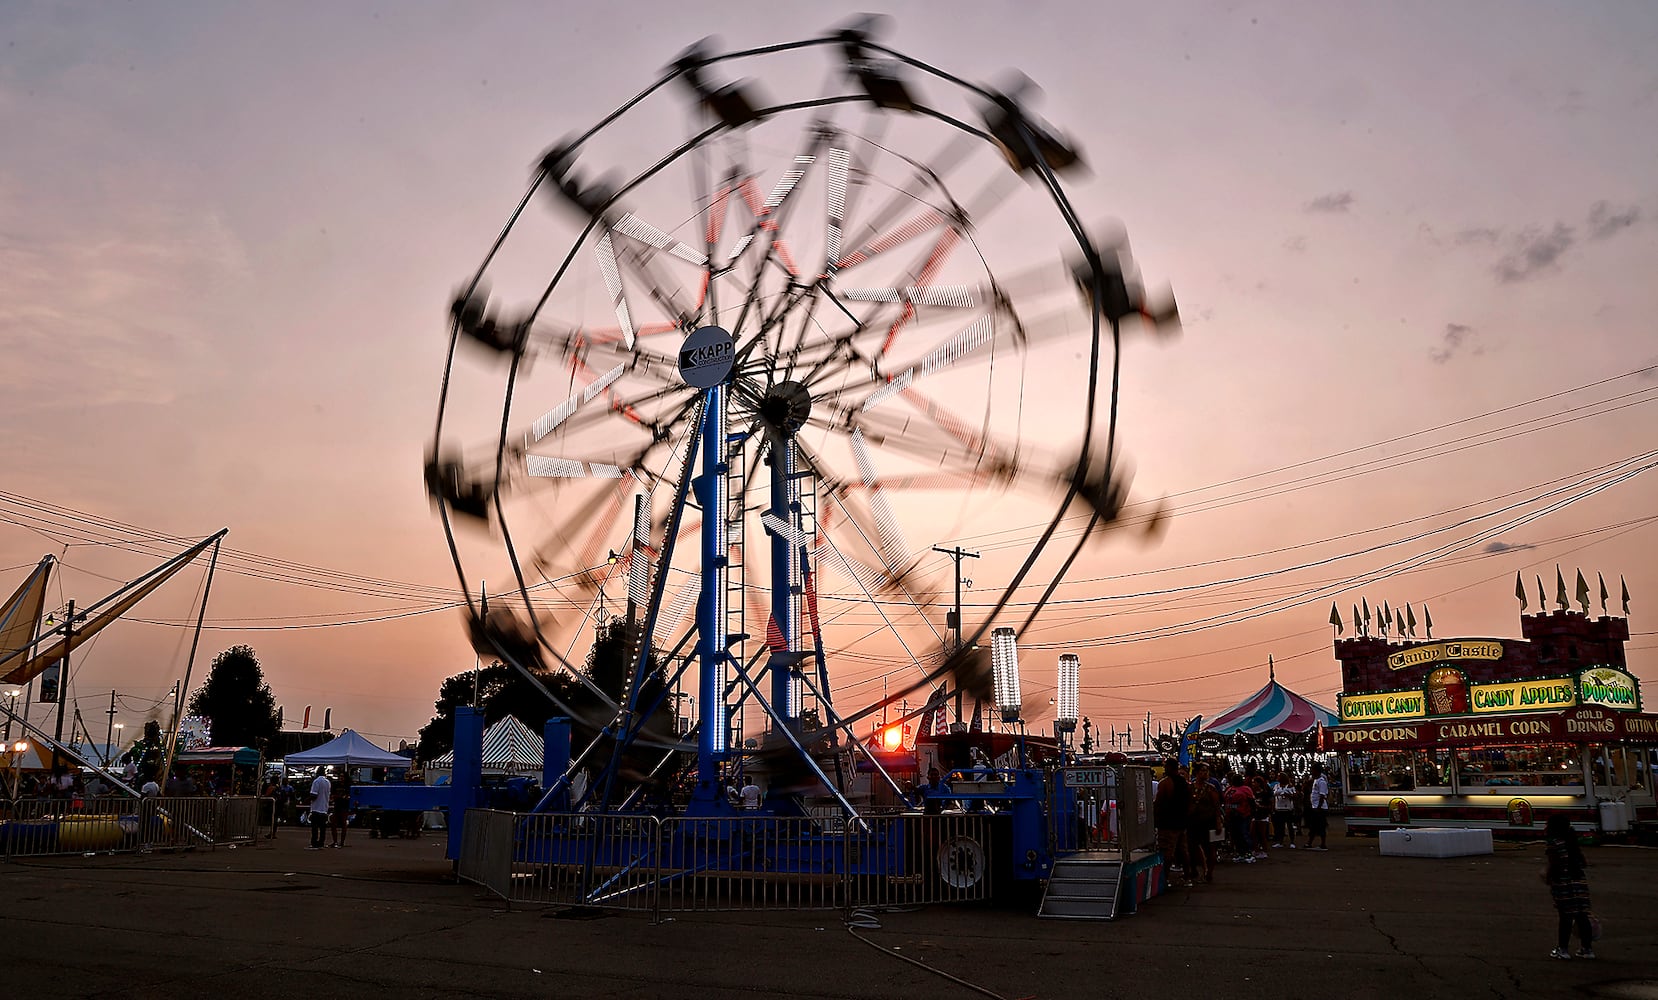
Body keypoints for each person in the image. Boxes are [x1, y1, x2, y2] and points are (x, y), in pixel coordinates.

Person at [1543, 815, 1594, 959]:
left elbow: (1554, 864)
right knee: (1582, 915)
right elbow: (1583, 862)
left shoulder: (1554, 843)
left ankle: (1563, 949)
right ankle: (1587, 948)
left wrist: (1548, 877)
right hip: (1579, 881)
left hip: (1564, 882)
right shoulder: (1572, 841)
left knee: (1565, 917)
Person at [1152, 759, 1190, 882]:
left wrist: (1155, 816)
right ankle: (1187, 875)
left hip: (1168, 822)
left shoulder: (1165, 783)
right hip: (1181, 821)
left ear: (1168, 767)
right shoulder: (1184, 782)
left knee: (1167, 851)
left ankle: (1164, 877)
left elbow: (1159, 802)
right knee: (1183, 850)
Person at [1185, 763, 1222, 883]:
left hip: (1208, 822)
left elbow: (1217, 807)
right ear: (1197, 772)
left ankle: (1208, 873)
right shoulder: (1190, 787)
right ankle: (1197, 869)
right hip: (1193, 822)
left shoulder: (1211, 788)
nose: (1205, 773)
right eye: (1202, 771)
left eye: (1206, 771)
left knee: (1210, 848)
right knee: (1192, 846)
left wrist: (1218, 821)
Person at [1223, 775, 1256, 862]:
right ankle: (1240, 853)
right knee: (1235, 835)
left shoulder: (1246, 789)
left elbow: (1252, 802)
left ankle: (1249, 854)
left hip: (1243, 816)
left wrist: (1252, 814)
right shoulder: (1229, 789)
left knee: (1244, 834)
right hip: (1231, 816)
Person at [1305, 763, 1330, 850]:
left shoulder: (1321, 781)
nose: (1311, 772)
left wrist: (1318, 807)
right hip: (1315, 806)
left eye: (1312, 770)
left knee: (1320, 826)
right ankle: (1309, 843)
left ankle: (1322, 844)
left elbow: (1322, 795)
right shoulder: (1315, 780)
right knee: (1313, 826)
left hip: (1320, 808)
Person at [1272, 772, 1298, 848]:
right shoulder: (1276, 786)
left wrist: (1289, 795)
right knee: (1280, 826)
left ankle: (1292, 842)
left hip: (1288, 809)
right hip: (1279, 808)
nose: (1277, 778)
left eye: (1279, 777)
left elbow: (1295, 796)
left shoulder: (1290, 786)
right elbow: (1274, 795)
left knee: (1290, 826)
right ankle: (1280, 842)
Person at [307, 771, 332, 850]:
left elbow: (314, 794)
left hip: (316, 807)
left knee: (314, 827)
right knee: (322, 827)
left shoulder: (316, 781)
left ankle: (314, 843)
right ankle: (321, 842)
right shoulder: (328, 782)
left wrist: (308, 799)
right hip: (324, 807)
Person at [329, 775, 352, 847]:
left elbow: (348, 796)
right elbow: (332, 795)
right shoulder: (336, 785)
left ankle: (342, 842)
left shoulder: (348, 786)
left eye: (342, 776)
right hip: (337, 806)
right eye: (340, 776)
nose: (341, 778)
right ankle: (335, 841)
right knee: (333, 824)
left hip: (344, 807)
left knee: (343, 824)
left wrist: (340, 797)